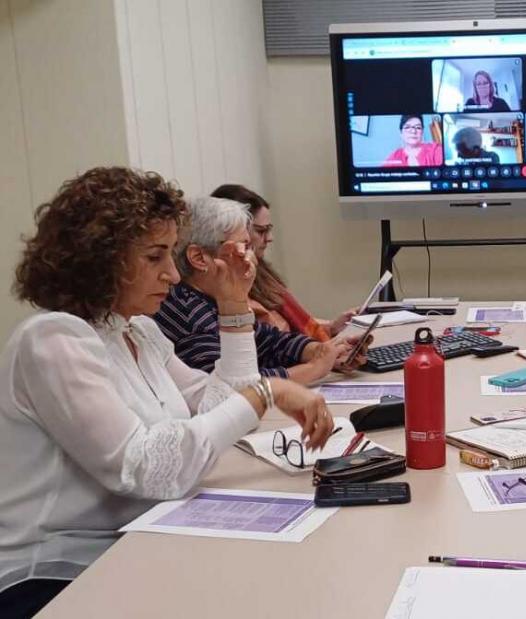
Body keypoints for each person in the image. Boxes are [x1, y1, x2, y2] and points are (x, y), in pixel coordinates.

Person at [0, 167, 335, 617]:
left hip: (131, 542)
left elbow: (215, 407)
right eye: (155, 257)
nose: (173, 276)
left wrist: (234, 304)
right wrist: (265, 393)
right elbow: (147, 469)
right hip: (52, 577)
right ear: (101, 259)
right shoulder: (54, 340)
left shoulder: (136, 331)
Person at [153, 196, 366, 385]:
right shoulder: (190, 315)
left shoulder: (214, 295)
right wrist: (314, 368)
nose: (251, 258)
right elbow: (227, 391)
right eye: (243, 247)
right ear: (199, 258)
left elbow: (269, 341)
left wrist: (321, 352)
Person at [210, 184, 355, 340]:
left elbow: (293, 327)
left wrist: (332, 327)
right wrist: (323, 352)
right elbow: (280, 342)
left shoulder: (263, 273)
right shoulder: (234, 292)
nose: (270, 238)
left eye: (269, 229)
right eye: (261, 231)